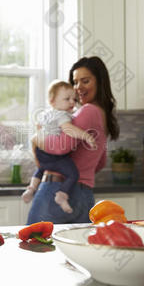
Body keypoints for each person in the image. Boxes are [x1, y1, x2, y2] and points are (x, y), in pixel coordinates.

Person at [26, 56, 119, 224]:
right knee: (75, 249)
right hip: (84, 196)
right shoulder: (102, 114)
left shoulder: (87, 111)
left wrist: (35, 139)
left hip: (57, 191)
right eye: (75, 82)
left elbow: (62, 147)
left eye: (85, 81)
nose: (78, 88)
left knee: (34, 246)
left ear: (100, 82)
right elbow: (100, 162)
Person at [21, 80, 96, 214]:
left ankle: (31, 188)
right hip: (54, 155)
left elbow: (38, 130)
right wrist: (86, 136)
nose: (72, 102)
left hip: (41, 151)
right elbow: (68, 129)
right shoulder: (62, 115)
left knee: (41, 168)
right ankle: (62, 195)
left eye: (74, 98)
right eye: (67, 99)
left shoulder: (45, 114)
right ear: (52, 102)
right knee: (73, 174)